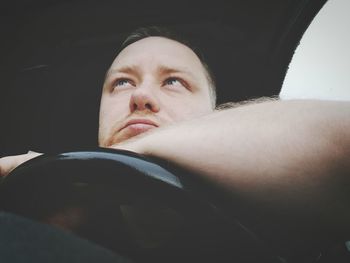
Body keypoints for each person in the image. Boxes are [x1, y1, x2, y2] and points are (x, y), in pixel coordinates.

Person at [0, 26, 350, 256]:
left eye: (173, 82)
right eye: (122, 82)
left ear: (216, 115)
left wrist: (123, 153)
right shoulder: (52, 217)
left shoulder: (280, 223)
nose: (141, 96)